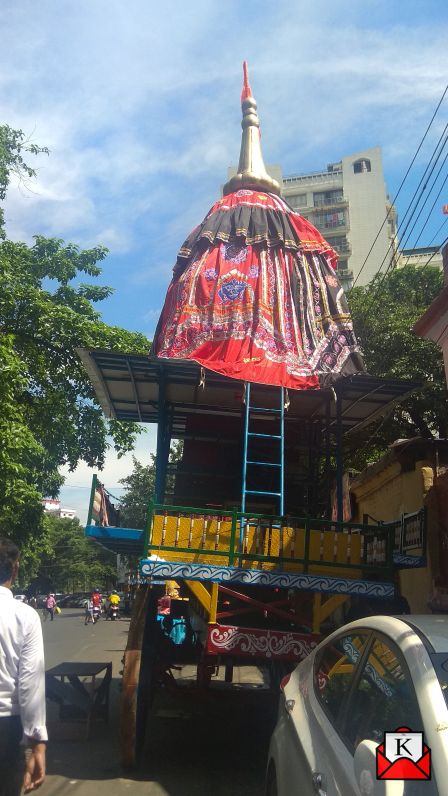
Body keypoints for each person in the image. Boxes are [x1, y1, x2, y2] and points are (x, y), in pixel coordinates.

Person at [0, 537, 47, 794]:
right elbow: (30, 684)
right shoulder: (25, 616)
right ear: (15, 569)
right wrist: (37, 744)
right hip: (6, 726)